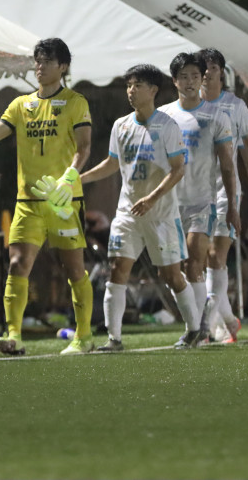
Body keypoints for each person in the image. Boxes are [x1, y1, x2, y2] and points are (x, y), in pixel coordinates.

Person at [0, 38, 95, 355]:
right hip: (28, 202)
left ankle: (84, 336)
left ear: (63, 66)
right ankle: (14, 336)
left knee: (73, 268)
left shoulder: (75, 102)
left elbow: (84, 146)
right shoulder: (21, 105)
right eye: (37, 61)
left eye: (47, 61)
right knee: (17, 264)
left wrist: (69, 179)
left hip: (64, 201)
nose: (40, 67)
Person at [80, 64, 201, 350]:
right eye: (129, 85)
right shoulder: (121, 125)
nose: (131, 91)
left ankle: (194, 328)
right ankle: (114, 338)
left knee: (171, 275)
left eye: (137, 85)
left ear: (153, 90)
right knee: (117, 268)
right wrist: (79, 179)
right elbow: (112, 163)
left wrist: (152, 198)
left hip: (161, 213)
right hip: (128, 212)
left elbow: (178, 169)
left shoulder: (167, 126)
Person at [159, 52, 238, 344]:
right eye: (184, 77)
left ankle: (197, 328)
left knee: (194, 263)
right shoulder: (163, 116)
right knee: (170, 271)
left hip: (202, 202)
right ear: (174, 81)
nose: (190, 82)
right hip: (169, 204)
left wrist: (232, 205)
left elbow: (227, 165)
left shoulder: (217, 116)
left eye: (195, 76)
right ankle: (200, 321)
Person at [197, 48, 248, 334]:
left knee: (216, 255)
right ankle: (228, 320)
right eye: (202, 67)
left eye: (213, 67)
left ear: (222, 73)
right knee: (199, 260)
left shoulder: (235, 106)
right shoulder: (185, 106)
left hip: (225, 192)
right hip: (191, 193)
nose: (207, 72)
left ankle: (206, 326)